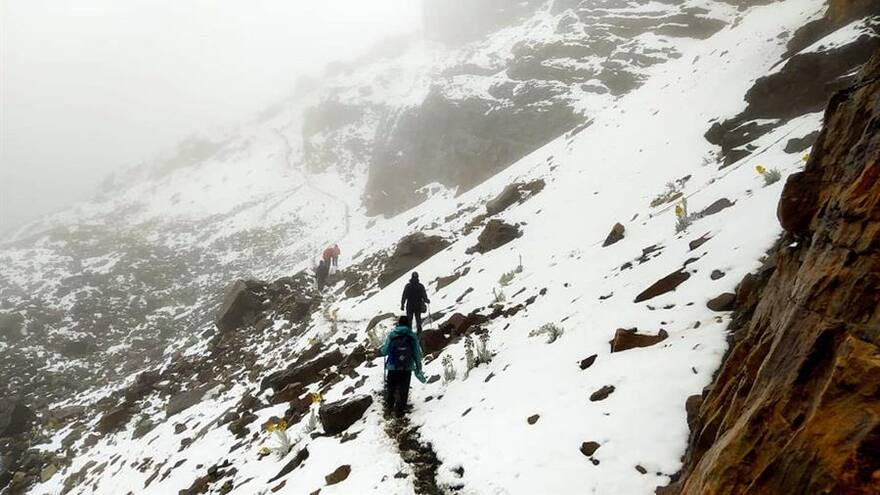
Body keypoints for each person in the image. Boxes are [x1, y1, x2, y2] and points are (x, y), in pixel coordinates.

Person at [380, 316, 426, 417]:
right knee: (403, 389)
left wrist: (381, 351)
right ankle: (400, 411)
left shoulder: (392, 335)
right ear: (408, 324)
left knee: (391, 388)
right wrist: (418, 368)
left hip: (392, 367)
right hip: (407, 367)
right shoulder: (412, 336)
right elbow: (417, 354)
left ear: (399, 324)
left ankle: (389, 408)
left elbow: (385, 351)